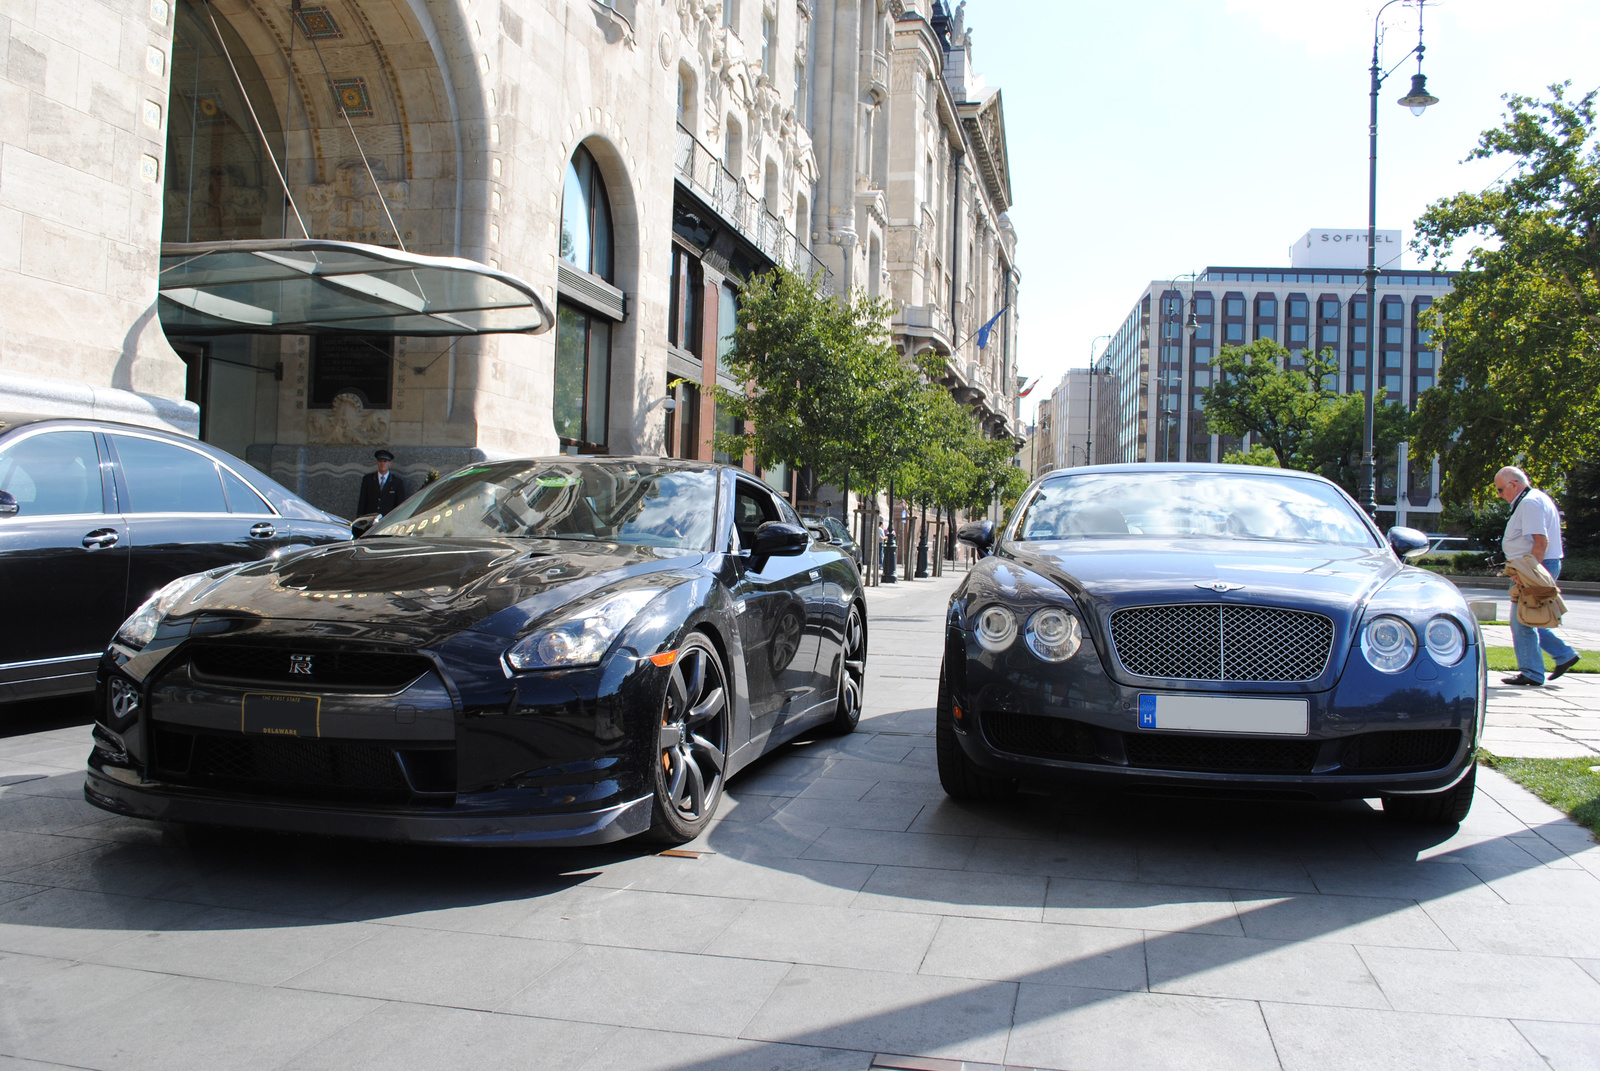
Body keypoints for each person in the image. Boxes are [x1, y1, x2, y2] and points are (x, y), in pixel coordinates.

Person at [1493, 465, 1580, 686]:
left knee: (1521, 620)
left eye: (1501, 489)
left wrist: (1529, 574)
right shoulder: (1534, 499)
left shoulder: (1530, 502)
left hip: (1535, 567)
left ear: (1514, 484)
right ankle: (1563, 655)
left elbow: (1541, 542)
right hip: (1535, 566)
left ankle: (1533, 672)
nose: (1500, 495)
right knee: (1527, 618)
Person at [357, 448, 408, 517]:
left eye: (385, 461)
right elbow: (362, 502)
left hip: (387, 521)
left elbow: (399, 505)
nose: (382, 463)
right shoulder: (368, 480)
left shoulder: (397, 482)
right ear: (377, 462)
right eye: (380, 461)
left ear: (389, 463)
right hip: (370, 520)